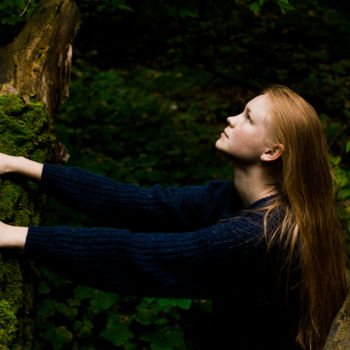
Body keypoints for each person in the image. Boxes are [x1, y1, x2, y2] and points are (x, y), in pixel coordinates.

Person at [0, 85, 348, 350]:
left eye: (247, 117)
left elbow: (134, 257)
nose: (231, 118)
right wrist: (21, 164)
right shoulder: (230, 199)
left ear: (272, 152)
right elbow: (137, 202)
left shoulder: (256, 235)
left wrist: (18, 236)